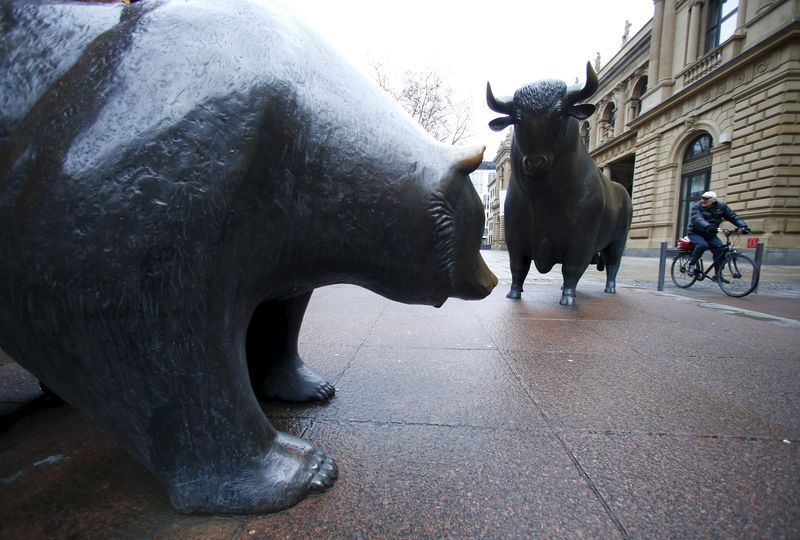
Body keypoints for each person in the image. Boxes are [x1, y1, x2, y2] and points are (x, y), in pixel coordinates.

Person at [686, 190, 751, 281]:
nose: (703, 200)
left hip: (710, 234)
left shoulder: (722, 207)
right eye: (702, 198)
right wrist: (707, 226)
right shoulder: (697, 207)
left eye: (706, 199)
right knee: (703, 245)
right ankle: (691, 265)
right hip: (695, 232)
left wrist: (743, 226)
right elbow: (697, 218)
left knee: (721, 250)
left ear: (713, 200)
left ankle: (718, 275)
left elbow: (733, 217)